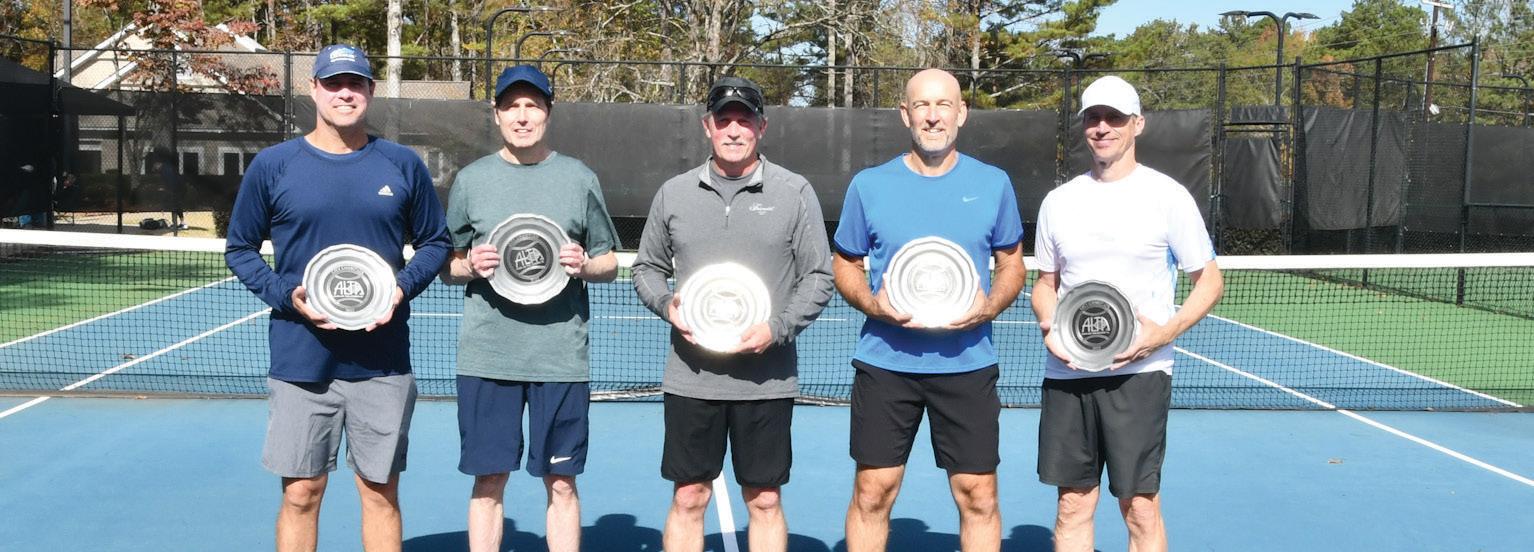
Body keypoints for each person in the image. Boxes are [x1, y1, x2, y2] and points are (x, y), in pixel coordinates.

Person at [223, 44, 451, 552]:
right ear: (314, 90)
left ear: (370, 90)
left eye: (355, 83)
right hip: (301, 361)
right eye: (333, 83)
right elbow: (239, 248)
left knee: (380, 493)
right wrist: (286, 295)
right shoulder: (274, 165)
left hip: (382, 362)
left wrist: (400, 288)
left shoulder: (402, 164)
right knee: (301, 494)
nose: (344, 93)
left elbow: (435, 242)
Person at [631, 75, 834, 552]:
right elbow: (646, 268)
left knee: (764, 500)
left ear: (762, 127)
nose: (735, 130)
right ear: (708, 126)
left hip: (766, 381)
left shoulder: (794, 191)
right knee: (688, 497)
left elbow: (818, 276)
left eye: (745, 120)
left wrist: (778, 328)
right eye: (725, 120)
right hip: (691, 380)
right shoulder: (674, 193)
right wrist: (667, 305)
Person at [833, 68, 1026, 552]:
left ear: (962, 113)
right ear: (905, 114)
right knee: (873, 491)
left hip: (968, 364)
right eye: (922, 105)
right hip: (886, 364)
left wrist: (988, 308)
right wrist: (873, 303)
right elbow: (845, 263)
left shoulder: (993, 183)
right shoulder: (869, 185)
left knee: (978, 495)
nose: (933, 116)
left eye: (944, 105)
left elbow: (1012, 263)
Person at [1031, 75, 1224, 552]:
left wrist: (1164, 333)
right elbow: (1045, 284)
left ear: (1137, 124)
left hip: (1140, 375)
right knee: (1072, 503)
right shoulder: (1059, 202)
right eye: (1093, 118)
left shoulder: (1168, 196)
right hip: (1069, 373)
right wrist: (1050, 326)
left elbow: (1210, 281)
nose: (1102, 127)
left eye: (1114, 118)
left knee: (1139, 506)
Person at [438, 64, 621, 552]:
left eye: (532, 106)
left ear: (548, 113)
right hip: (488, 358)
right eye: (512, 106)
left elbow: (609, 263)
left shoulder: (579, 178)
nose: (522, 116)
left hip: (559, 359)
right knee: (488, 481)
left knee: (561, 483)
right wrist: (469, 265)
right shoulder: (472, 180)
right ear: (496, 114)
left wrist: (584, 265)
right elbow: (446, 264)